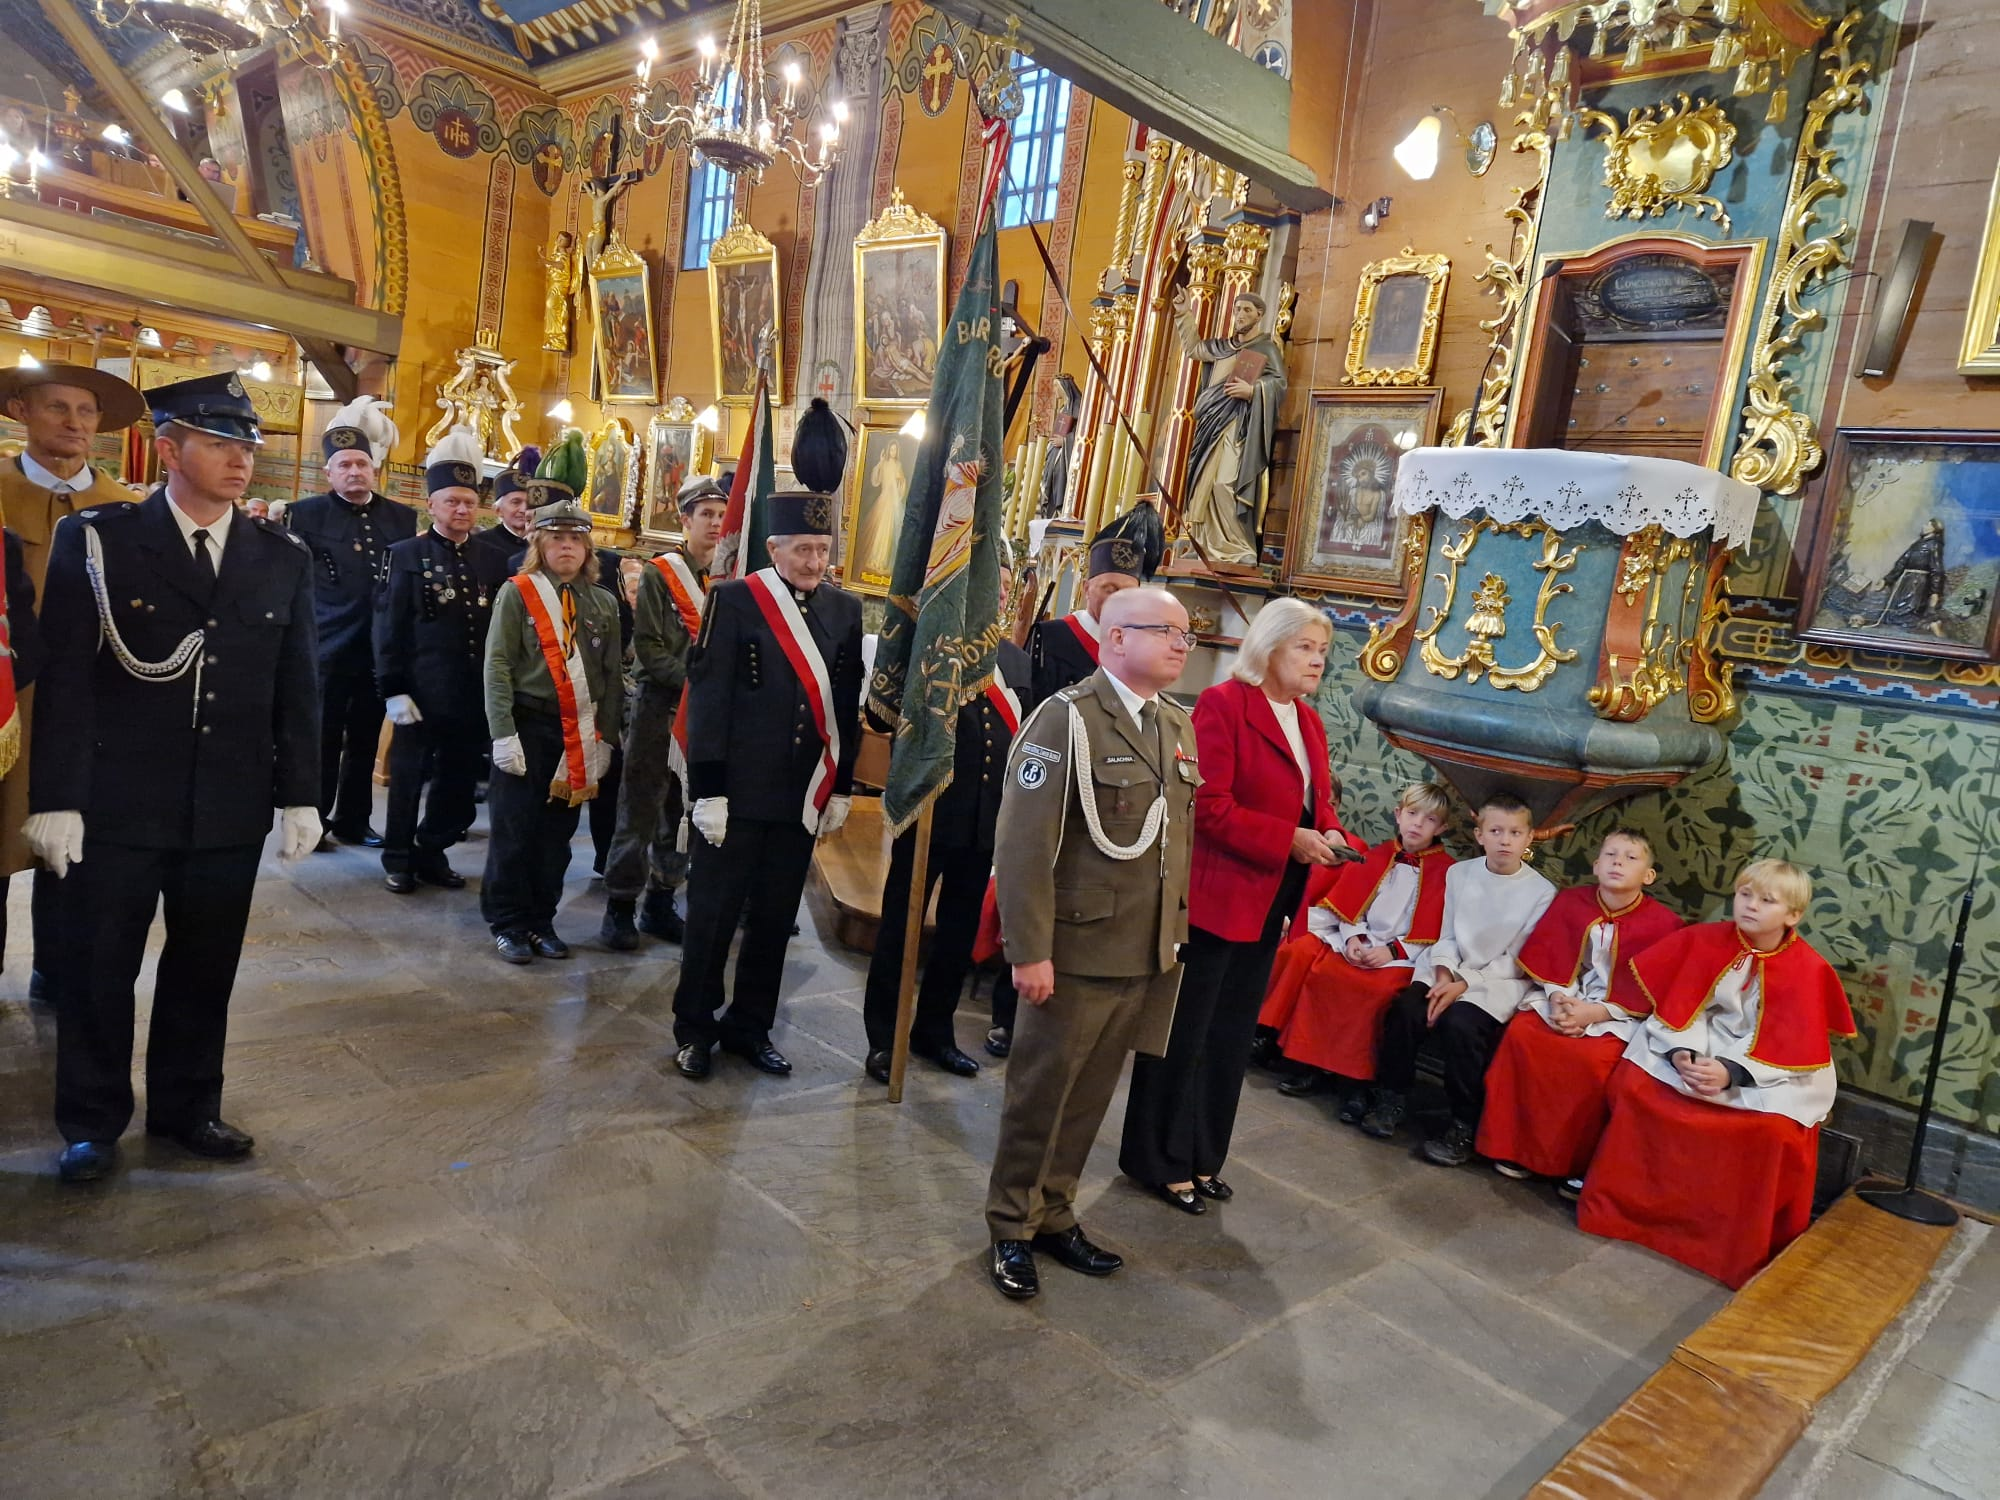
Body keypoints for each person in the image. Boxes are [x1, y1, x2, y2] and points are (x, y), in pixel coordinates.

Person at [26, 372, 321, 1184]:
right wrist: (56, 798)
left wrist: (299, 791)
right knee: (98, 969)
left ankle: (189, 1106)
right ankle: (91, 1122)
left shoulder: (278, 555)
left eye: (247, 447)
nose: (239, 461)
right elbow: (69, 680)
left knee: (205, 967)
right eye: (220, 443)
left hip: (226, 802)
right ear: (168, 449)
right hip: (119, 799)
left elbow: (297, 684)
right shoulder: (101, 540)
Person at [984, 588, 1199, 1301]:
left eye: (1186, 635)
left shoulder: (1176, 725)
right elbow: (1022, 845)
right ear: (1113, 640)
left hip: (1139, 950)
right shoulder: (1065, 720)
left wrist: (1168, 941)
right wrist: (1028, 949)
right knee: (1041, 1095)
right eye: (1165, 631)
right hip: (1073, 949)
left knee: (1089, 1098)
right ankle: (1011, 1225)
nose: (1180, 645)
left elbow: (1173, 845)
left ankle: (1054, 1212)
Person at [1117, 598, 1358, 1212]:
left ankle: (1201, 1157)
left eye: (1322, 651)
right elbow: (1210, 805)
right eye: (1305, 647)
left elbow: (1315, 803)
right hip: (1216, 897)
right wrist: (1291, 839)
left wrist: (1328, 834)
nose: (1316, 661)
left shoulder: (1307, 721)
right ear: (1269, 647)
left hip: (1269, 897)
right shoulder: (1226, 705)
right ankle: (1157, 1160)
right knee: (1184, 1034)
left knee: (1228, 1037)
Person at [1579, 859, 1854, 1288]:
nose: (1751, 906)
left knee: (1773, 1133)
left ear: (1793, 914)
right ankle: (1625, 1214)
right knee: (1635, 1087)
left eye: (1767, 900)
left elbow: (1790, 1043)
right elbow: (1680, 1009)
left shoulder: (1808, 970)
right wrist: (1683, 1054)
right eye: (1745, 894)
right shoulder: (1703, 941)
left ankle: (1730, 1248)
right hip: (1696, 1049)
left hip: (1764, 1070)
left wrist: (1731, 1072)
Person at [671, 491, 863, 1080]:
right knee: (713, 916)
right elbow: (709, 699)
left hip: (798, 794)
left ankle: (751, 1027)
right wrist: (709, 790)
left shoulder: (844, 609)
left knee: (775, 920)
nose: (813, 561)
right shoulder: (734, 600)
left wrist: (843, 787)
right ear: (773, 547)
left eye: (823, 549)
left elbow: (845, 704)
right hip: (736, 793)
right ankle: (695, 1030)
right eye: (802, 549)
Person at [0, 360, 144, 1007]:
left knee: (76, 852)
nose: (75, 424)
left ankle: (57, 973)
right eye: (57, 408)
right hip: (6, 701)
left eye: (86, 412)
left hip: (90, 708)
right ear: (21, 412)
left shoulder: (129, 511)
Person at [860, 565, 1032, 1086]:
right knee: (900, 928)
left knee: (957, 935)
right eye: (988, 585)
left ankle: (935, 1031)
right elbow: (890, 718)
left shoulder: (1015, 659)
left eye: (1002, 588)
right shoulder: (932, 645)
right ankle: (883, 1037)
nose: (996, 595)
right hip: (931, 811)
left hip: (984, 821)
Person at [988, 534, 1144, 1058]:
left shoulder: (1140, 646)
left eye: (1124, 588)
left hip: (1110, 803)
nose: (1111, 597)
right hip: (1057, 786)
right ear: (1089, 587)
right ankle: (1007, 1018)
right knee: (1036, 905)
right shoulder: (1055, 636)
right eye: (1104, 587)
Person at [1476, 830, 1683, 1196]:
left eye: (1631, 858)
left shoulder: (1664, 925)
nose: (1618, 862)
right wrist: (1561, 1001)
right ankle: (1515, 1148)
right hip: (1563, 1000)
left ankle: (1573, 1163)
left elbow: (1651, 991)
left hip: (1615, 1016)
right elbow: (1552, 958)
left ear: (1648, 876)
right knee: (1523, 1038)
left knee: (1594, 1065)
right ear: (1596, 864)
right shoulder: (1571, 902)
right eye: (1611, 854)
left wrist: (1594, 1014)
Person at [1360, 791, 1556, 1167]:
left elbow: (1516, 959)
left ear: (1529, 838)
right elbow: (1446, 933)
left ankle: (1462, 1123)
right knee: (1407, 1010)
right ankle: (1391, 1097)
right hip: (1446, 966)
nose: (1505, 840)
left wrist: (1464, 984)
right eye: (1495, 830)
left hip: (1495, 982)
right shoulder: (1459, 873)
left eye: (1515, 833)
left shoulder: (1541, 892)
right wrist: (1445, 973)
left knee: (1461, 1026)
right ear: (1479, 834)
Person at [480, 487, 623, 962]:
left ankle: (542, 920)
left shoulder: (602, 602)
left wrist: (605, 737)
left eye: (575, 540)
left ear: (588, 549)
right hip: (526, 723)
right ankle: (508, 922)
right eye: (555, 538)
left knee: (556, 835)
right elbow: (497, 664)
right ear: (538, 545)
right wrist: (502, 732)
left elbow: (609, 678)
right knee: (514, 829)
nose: (566, 547)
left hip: (577, 733)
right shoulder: (517, 593)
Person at [1257, 780, 1454, 1115]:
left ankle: (1355, 1082)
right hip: (1360, 943)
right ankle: (1310, 1065)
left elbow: (1436, 931)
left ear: (1443, 827)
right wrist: (1353, 938)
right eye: (1412, 813)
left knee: (1372, 994)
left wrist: (1391, 951)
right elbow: (1349, 906)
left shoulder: (1447, 872)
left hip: (1401, 957)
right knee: (1324, 974)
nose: (1418, 823)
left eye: (1430, 819)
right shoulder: (1376, 856)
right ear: (1398, 815)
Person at [373, 428, 510, 895]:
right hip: (420, 689)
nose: (461, 510)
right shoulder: (405, 555)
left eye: (469, 502)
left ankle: (432, 850)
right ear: (431, 505)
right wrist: (392, 689)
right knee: (409, 780)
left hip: (471, 693)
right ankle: (398, 857)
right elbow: (389, 627)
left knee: (456, 781)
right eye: (451, 501)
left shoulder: (493, 560)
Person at [599, 475, 730, 949]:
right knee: (641, 804)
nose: (715, 524)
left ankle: (661, 898)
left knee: (684, 807)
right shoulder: (661, 572)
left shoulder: (729, 575)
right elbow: (649, 649)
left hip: (705, 713)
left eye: (721, 515)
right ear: (686, 520)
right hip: (660, 705)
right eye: (707, 515)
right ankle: (619, 902)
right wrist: (699, 684)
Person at [286, 397, 417, 847]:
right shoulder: (304, 515)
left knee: (363, 740)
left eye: (362, 463)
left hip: (376, 649)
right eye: (344, 465)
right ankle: (314, 821)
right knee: (320, 740)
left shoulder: (401, 518)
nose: (355, 472)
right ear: (330, 473)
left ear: (374, 468)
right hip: (325, 646)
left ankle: (354, 820)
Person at [1172, 287, 1287, 567]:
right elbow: (1194, 349)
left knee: (1226, 483)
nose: (1240, 315)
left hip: (1238, 423)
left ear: (1259, 315)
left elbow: (1279, 384)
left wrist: (1253, 390)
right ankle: (1202, 544)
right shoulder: (1224, 347)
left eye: (1247, 310)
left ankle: (1236, 545)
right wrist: (1184, 313)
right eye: (1237, 309)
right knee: (1203, 484)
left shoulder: (1265, 348)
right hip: (1210, 423)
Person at [1024, 535, 1142, 712]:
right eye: (1109, 590)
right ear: (1086, 588)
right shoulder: (1051, 637)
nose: (1119, 600)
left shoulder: (1138, 648)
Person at [474, 463, 535, 572]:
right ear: (498, 510)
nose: (524, 509)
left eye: (530, 503)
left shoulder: (541, 544)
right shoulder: (480, 544)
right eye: (516, 502)